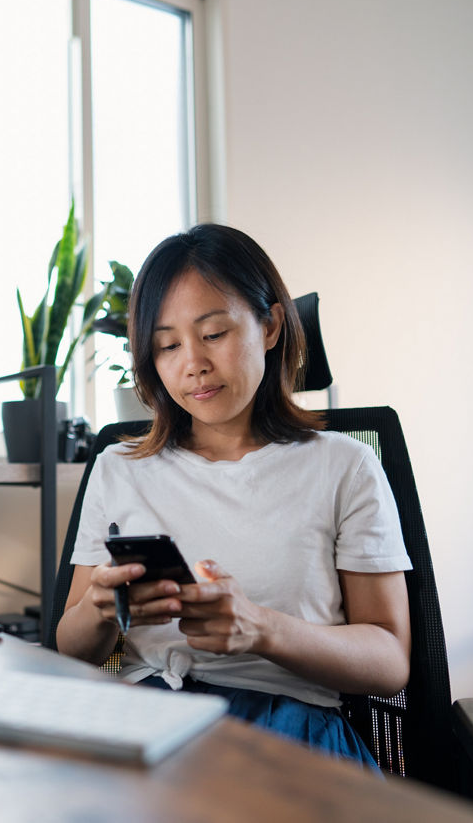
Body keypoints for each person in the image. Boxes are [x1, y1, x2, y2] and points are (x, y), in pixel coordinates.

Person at [55, 224, 412, 768]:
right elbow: (71, 646)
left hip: (288, 735)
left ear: (269, 325)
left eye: (214, 333)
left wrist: (262, 629)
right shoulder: (119, 469)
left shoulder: (345, 466)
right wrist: (102, 610)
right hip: (150, 726)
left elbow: (390, 660)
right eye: (167, 345)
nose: (192, 362)